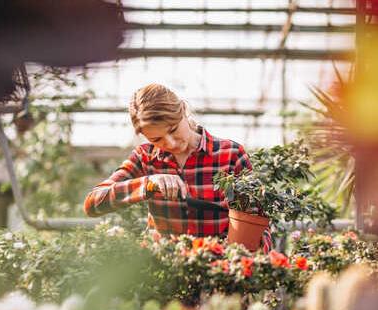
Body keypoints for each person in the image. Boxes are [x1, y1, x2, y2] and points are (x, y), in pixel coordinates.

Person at [83, 83, 271, 250]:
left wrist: (247, 261)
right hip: (163, 274)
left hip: (217, 272)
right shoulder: (145, 157)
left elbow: (257, 223)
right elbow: (93, 204)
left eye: (173, 129)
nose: (170, 143)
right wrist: (147, 184)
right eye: (156, 139)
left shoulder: (230, 154)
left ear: (183, 109)